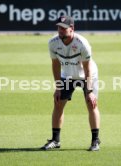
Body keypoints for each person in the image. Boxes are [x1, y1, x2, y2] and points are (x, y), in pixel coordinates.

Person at [41, 16, 101, 151]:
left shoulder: (82, 43)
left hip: (86, 75)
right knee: (58, 104)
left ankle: (95, 141)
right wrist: (58, 88)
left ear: (72, 28)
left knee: (91, 105)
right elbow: (55, 65)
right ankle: (55, 140)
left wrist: (89, 91)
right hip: (67, 76)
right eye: (58, 27)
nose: (60, 30)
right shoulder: (53, 43)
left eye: (63, 28)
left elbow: (87, 69)